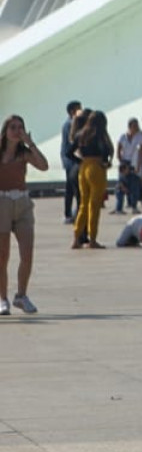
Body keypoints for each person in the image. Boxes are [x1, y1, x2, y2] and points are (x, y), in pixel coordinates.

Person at [1, 115, 50, 315]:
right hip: (2, 203)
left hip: (22, 203)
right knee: (2, 256)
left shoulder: (24, 153)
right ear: (5, 131)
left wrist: (30, 144)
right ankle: (2, 298)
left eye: (20, 127)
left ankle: (21, 295)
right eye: (13, 127)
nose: (17, 131)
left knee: (27, 253)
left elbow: (44, 165)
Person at [71, 110, 111, 249]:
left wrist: (80, 160)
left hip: (83, 167)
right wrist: (105, 162)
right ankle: (92, 239)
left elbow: (68, 152)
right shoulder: (100, 135)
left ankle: (76, 238)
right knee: (94, 206)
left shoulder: (80, 134)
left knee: (83, 204)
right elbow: (106, 152)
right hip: (97, 168)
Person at [114, 118, 142, 214]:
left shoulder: (140, 136)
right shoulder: (123, 136)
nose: (136, 128)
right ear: (129, 126)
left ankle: (134, 206)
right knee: (121, 184)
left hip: (134, 162)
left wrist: (139, 165)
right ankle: (119, 208)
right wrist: (120, 160)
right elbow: (119, 148)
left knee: (135, 184)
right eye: (134, 126)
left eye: (137, 126)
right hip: (124, 162)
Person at [58, 100, 82, 222]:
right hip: (71, 161)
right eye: (79, 109)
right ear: (72, 111)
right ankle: (69, 214)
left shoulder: (70, 123)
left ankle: (72, 213)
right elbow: (73, 142)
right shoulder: (70, 124)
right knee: (72, 188)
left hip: (69, 159)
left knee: (72, 188)